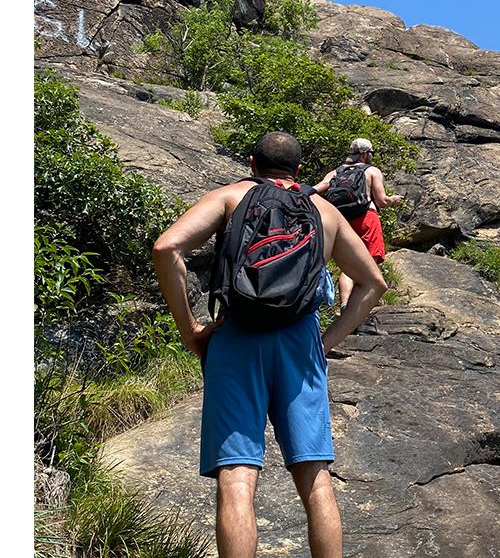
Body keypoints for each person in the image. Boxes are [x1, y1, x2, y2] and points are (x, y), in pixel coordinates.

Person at [151, 131, 387, 558]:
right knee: (315, 478)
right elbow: (374, 283)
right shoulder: (324, 210)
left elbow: (167, 248)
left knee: (237, 479)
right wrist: (326, 340)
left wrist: (190, 330)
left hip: (236, 338)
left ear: (251, 163)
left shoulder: (230, 197)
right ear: (298, 171)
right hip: (299, 343)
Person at [314, 137, 405, 309]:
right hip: (366, 219)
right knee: (368, 264)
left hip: (341, 221)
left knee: (349, 264)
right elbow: (382, 201)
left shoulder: (336, 172)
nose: (371, 155)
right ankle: (362, 307)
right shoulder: (371, 171)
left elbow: (318, 188)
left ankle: (346, 304)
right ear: (364, 154)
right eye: (371, 152)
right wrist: (394, 199)